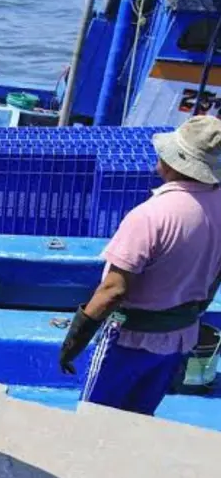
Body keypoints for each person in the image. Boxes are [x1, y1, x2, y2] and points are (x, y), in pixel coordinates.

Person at [59, 116, 221, 416]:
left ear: (175, 163)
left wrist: (73, 344)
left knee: (93, 418)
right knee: (139, 420)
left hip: (130, 341)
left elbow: (112, 291)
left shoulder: (150, 215)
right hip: (180, 337)